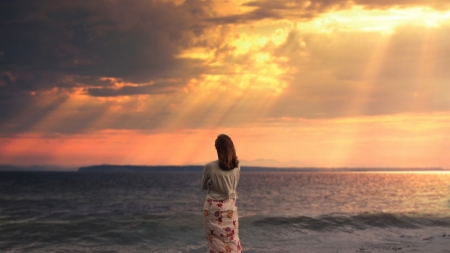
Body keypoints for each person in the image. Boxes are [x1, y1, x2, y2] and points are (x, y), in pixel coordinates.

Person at [202, 134, 242, 253]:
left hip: (213, 208)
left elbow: (203, 186)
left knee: (213, 240)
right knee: (232, 238)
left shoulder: (210, 167)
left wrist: (214, 184)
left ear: (218, 149)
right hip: (230, 207)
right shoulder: (237, 166)